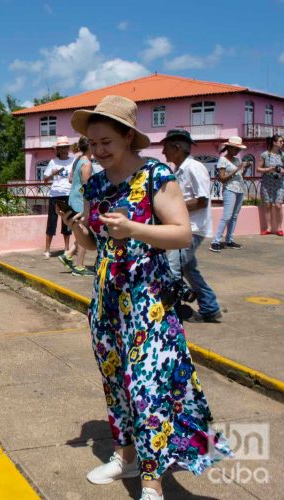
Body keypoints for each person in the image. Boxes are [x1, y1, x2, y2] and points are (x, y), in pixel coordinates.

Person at [59, 95, 230, 500]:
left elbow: (181, 233)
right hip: (107, 300)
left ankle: (152, 484)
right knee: (116, 384)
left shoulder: (156, 176)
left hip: (148, 301)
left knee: (148, 390)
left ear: (128, 137)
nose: (98, 151)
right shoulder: (96, 183)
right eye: (93, 143)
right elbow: (94, 241)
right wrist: (77, 225)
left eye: (106, 142)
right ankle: (126, 457)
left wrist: (133, 230)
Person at [161, 129, 222, 323]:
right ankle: (210, 307)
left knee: (171, 269)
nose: (163, 152)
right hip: (186, 226)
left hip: (193, 228)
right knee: (189, 271)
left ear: (177, 147)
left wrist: (172, 209)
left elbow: (202, 200)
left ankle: (174, 309)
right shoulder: (180, 169)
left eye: (166, 147)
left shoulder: (193, 168)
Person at [58, 136, 94, 275]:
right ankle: (79, 266)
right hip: (81, 200)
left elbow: (71, 179)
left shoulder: (77, 160)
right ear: (90, 147)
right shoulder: (87, 164)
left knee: (80, 231)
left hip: (73, 197)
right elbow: (87, 187)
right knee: (84, 232)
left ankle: (67, 255)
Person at [210, 137, 250, 252]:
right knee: (226, 216)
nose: (238, 151)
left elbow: (241, 176)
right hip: (229, 189)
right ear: (230, 148)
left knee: (234, 216)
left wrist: (245, 169)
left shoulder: (237, 160)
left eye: (239, 149)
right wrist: (236, 169)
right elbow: (222, 178)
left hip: (240, 189)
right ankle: (215, 241)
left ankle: (229, 240)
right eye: (236, 149)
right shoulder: (223, 160)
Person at [42, 136, 74, 259]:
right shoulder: (53, 162)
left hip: (68, 194)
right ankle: (47, 250)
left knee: (67, 222)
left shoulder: (73, 161)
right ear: (58, 150)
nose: (64, 150)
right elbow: (45, 180)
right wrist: (52, 174)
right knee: (52, 221)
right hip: (55, 195)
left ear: (68, 148)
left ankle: (66, 249)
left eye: (66, 147)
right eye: (61, 148)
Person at [258, 134, 284, 236]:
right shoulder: (264, 155)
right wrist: (268, 169)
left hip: (279, 183)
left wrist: (282, 170)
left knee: (278, 205)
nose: (282, 143)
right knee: (268, 205)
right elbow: (258, 169)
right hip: (267, 183)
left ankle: (279, 228)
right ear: (274, 142)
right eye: (280, 141)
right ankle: (268, 228)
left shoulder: (282, 155)